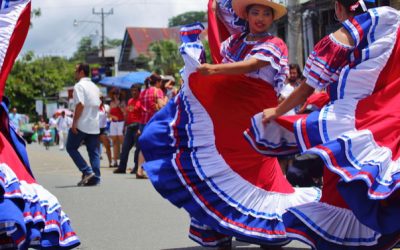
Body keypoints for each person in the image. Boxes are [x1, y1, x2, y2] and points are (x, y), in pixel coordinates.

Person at [139, 1, 321, 248]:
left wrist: (214, 69)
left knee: (261, 174)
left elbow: (253, 65)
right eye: (255, 12)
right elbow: (223, 60)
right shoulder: (233, 43)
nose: (260, 18)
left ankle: (268, 229)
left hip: (255, 118)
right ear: (246, 15)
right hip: (228, 119)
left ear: (272, 18)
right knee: (219, 169)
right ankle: (220, 227)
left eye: (266, 13)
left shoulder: (274, 44)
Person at [248, 1, 400, 249]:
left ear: (339, 8)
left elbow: (308, 87)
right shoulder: (394, 24)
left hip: (355, 129)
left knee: (344, 194)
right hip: (390, 123)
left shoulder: (347, 34)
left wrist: (277, 111)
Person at [66, 63, 101, 186]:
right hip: (94, 124)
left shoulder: (79, 86)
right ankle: (95, 178)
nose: (74, 72)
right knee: (93, 152)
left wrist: (74, 122)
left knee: (70, 147)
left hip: (82, 123)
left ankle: (87, 171)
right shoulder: (95, 87)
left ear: (81, 72)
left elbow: (80, 104)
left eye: (76, 70)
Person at [136, 74, 165, 178]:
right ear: (157, 82)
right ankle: (156, 170)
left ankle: (139, 170)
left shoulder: (143, 93)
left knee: (143, 147)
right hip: (154, 122)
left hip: (143, 122)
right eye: (161, 82)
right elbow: (161, 106)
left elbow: (139, 108)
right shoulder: (158, 91)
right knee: (158, 146)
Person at [114, 84, 144, 174]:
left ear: (139, 91)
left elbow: (143, 115)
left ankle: (136, 168)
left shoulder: (141, 101)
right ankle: (122, 167)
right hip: (129, 127)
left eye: (135, 90)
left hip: (138, 126)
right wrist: (124, 126)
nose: (133, 92)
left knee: (137, 149)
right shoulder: (130, 100)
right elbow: (127, 114)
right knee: (125, 148)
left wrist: (140, 128)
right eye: (132, 90)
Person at [108, 88, 125, 167]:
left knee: (122, 141)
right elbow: (108, 115)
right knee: (114, 142)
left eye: (117, 94)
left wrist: (120, 106)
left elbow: (125, 113)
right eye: (114, 94)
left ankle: (123, 159)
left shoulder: (122, 102)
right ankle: (115, 161)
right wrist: (113, 116)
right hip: (113, 123)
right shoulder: (111, 103)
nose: (116, 95)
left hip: (121, 122)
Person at [99, 94, 112, 168]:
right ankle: (95, 163)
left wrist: (109, 117)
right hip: (95, 129)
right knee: (95, 147)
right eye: (98, 98)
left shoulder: (106, 107)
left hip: (103, 129)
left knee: (107, 146)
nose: (100, 100)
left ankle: (110, 162)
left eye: (101, 98)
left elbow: (110, 116)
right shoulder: (94, 107)